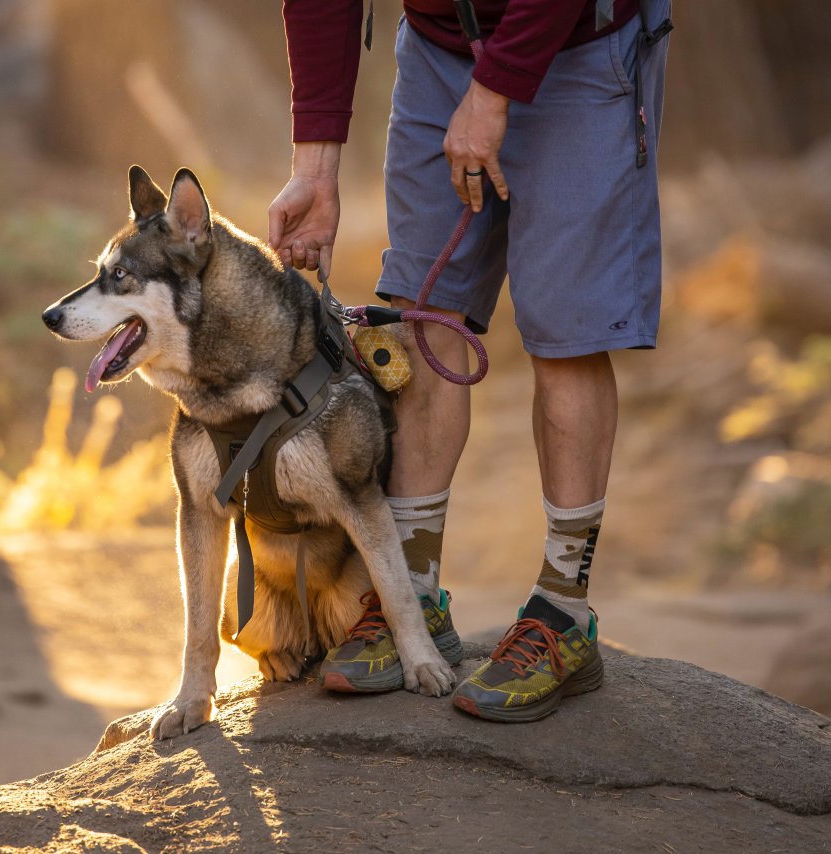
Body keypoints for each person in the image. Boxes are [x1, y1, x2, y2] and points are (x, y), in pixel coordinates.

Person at [268, 0, 671, 721]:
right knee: (420, 322)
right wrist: (315, 167)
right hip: (438, 46)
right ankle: (411, 596)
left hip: (581, 46)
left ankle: (563, 613)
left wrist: (493, 95)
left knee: (567, 338)